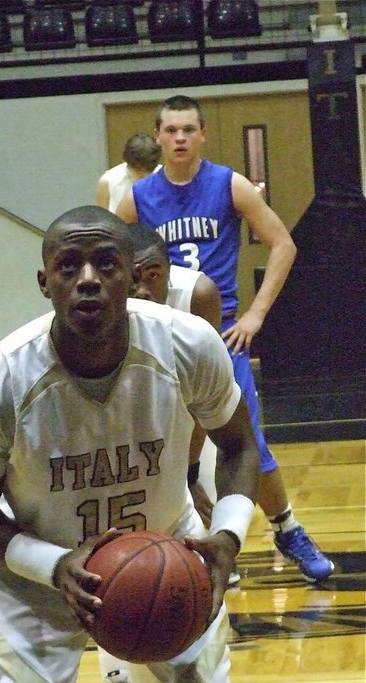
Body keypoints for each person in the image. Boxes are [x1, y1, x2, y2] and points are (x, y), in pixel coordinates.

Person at [0, 204, 260, 683]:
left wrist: (226, 537)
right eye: (69, 265)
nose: (87, 277)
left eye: (105, 263)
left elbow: (240, 444)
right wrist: (52, 566)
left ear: (134, 276)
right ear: (46, 283)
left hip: (169, 548)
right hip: (41, 571)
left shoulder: (187, 343)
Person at [115, 94, 334, 585]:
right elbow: (109, 258)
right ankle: (200, 540)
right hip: (159, 334)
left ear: (202, 134)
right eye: (171, 130)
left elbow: (283, 244)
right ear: (157, 136)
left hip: (219, 334)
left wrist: (256, 314)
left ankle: (288, 527)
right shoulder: (136, 199)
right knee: (164, 448)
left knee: (248, 440)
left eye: (188, 129)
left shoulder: (228, 184)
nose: (179, 138)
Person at [95, 222, 226, 683]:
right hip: (125, 438)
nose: (145, 288)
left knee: (193, 559)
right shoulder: (99, 309)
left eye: (155, 275)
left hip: (194, 423)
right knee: (117, 556)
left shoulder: (198, 296)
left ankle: (201, 673)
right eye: (136, 279)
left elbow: (205, 410)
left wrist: (191, 475)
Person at [96, 133, 161, 213]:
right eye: (138, 170)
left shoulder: (165, 178)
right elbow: (102, 221)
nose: (142, 175)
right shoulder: (108, 181)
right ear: (126, 161)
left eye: (147, 170)